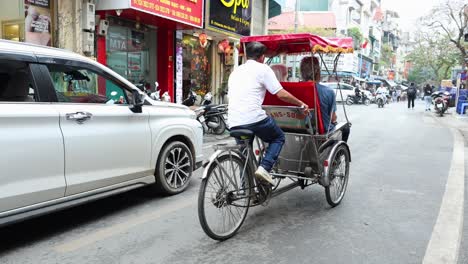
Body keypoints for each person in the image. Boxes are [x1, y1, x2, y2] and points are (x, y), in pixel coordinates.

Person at [227, 42, 309, 185]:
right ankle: (264, 168)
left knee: (244, 155)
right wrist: (301, 104)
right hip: (254, 119)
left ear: (247, 56)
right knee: (278, 137)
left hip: (233, 121)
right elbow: (281, 94)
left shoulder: (236, 71)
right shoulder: (263, 69)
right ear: (262, 57)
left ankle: (246, 189)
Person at [299, 56, 350, 142]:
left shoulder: (292, 91)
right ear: (317, 72)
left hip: (300, 130)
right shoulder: (328, 92)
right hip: (322, 134)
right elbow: (333, 118)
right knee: (346, 128)